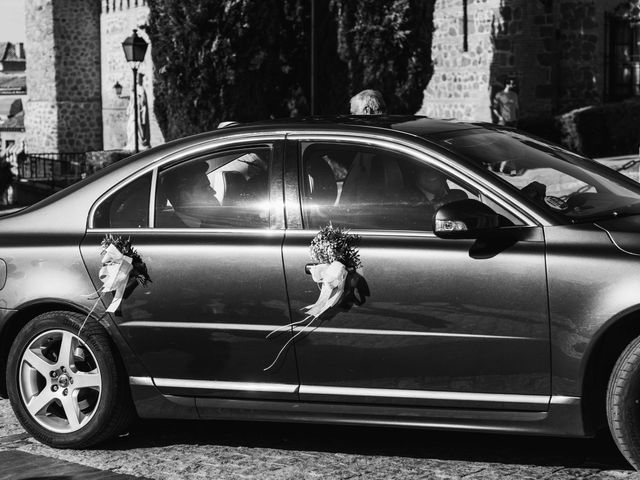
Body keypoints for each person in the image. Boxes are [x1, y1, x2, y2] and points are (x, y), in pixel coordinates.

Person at [158, 161, 220, 227]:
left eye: (209, 187)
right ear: (185, 196)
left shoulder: (213, 221)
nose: (214, 191)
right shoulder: (172, 234)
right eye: (204, 188)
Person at [125, 72, 151, 151]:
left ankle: (138, 143)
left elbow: (143, 102)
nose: (138, 80)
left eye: (139, 78)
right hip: (133, 111)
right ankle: (132, 142)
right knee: (130, 126)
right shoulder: (134, 89)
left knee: (136, 126)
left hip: (138, 112)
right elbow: (131, 101)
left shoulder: (141, 89)